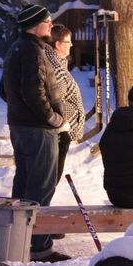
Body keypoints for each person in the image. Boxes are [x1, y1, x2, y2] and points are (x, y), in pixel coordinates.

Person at [0, 3, 70, 263]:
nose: (51, 25)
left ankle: (19, 238)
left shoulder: (15, 49)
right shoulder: (32, 51)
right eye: (48, 21)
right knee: (41, 186)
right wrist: (53, 118)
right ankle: (39, 247)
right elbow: (34, 92)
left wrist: (20, 112)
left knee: (24, 184)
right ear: (35, 24)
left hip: (20, 127)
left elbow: (4, 90)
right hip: (38, 131)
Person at [44, 24, 85, 182]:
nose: (72, 45)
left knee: (53, 177)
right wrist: (65, 121)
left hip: (63, 129)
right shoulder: (54, 68)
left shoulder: (60, 64)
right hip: (60, 131)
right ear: (58, 45)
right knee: (51, 178)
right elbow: (56, 100)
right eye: (68, 42)